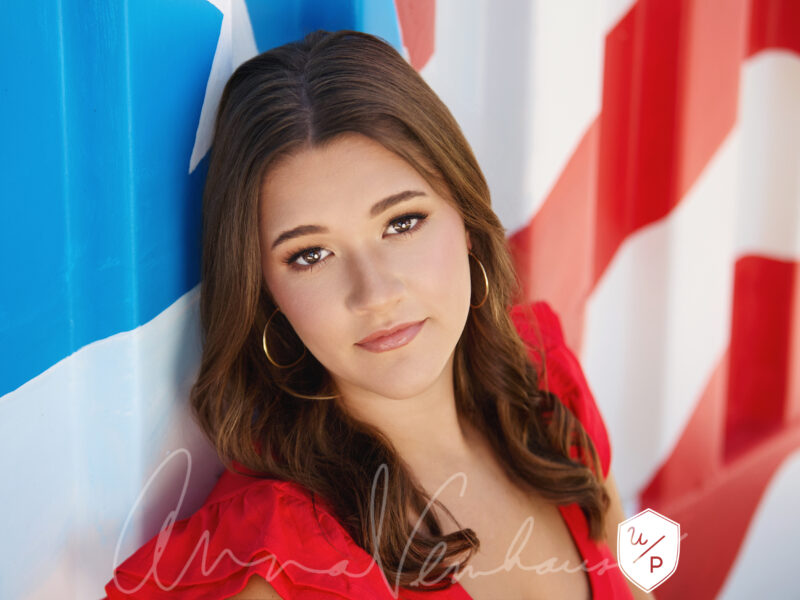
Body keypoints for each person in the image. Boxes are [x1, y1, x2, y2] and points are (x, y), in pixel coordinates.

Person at [104, 29, 651, 600]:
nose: (375, 293)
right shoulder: (280, 562)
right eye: (310, 255)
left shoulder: (544, 385)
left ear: (465, 221)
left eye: (402, 223)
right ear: (265, 291)